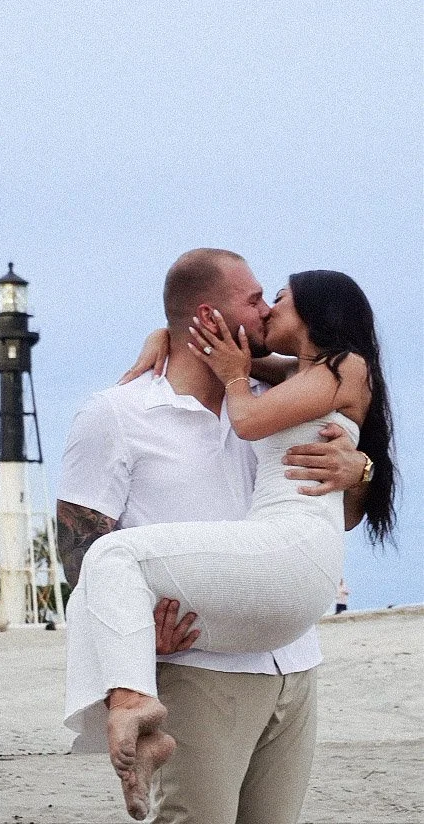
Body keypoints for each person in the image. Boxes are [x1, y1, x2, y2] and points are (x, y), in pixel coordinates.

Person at [58, 250, 381, 823]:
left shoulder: (274, 402)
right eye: (254, 300)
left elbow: (342, 515)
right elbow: (76, 546)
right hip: (201, 667)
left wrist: (359, 470)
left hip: (294, 664)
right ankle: (128, 705)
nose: (265, 312)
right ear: (209, 316)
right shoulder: (117, 413)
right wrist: (126, 644)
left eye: (270, 299)